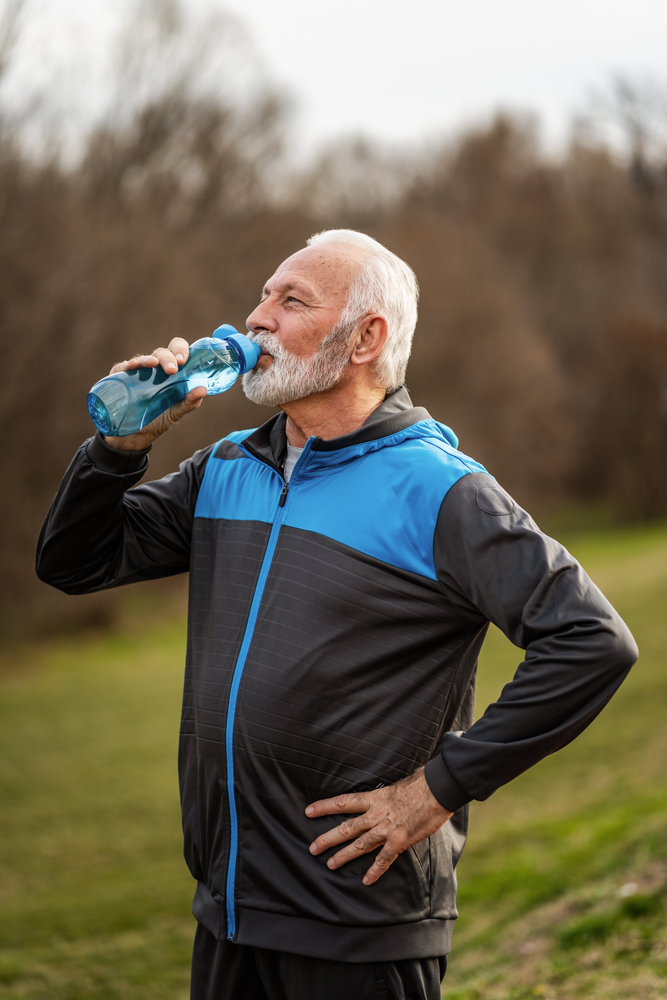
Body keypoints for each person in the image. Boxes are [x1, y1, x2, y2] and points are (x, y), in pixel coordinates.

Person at [36, 229, 638, 1000]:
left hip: (358, 926)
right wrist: (118, 451)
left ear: (364, 338)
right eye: (262, 295)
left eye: (291, 301)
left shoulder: (440, 489)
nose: (257, 318)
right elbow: (73, 561)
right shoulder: (228, 467)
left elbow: (591, 642)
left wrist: (437, 789)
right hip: (226, 911)